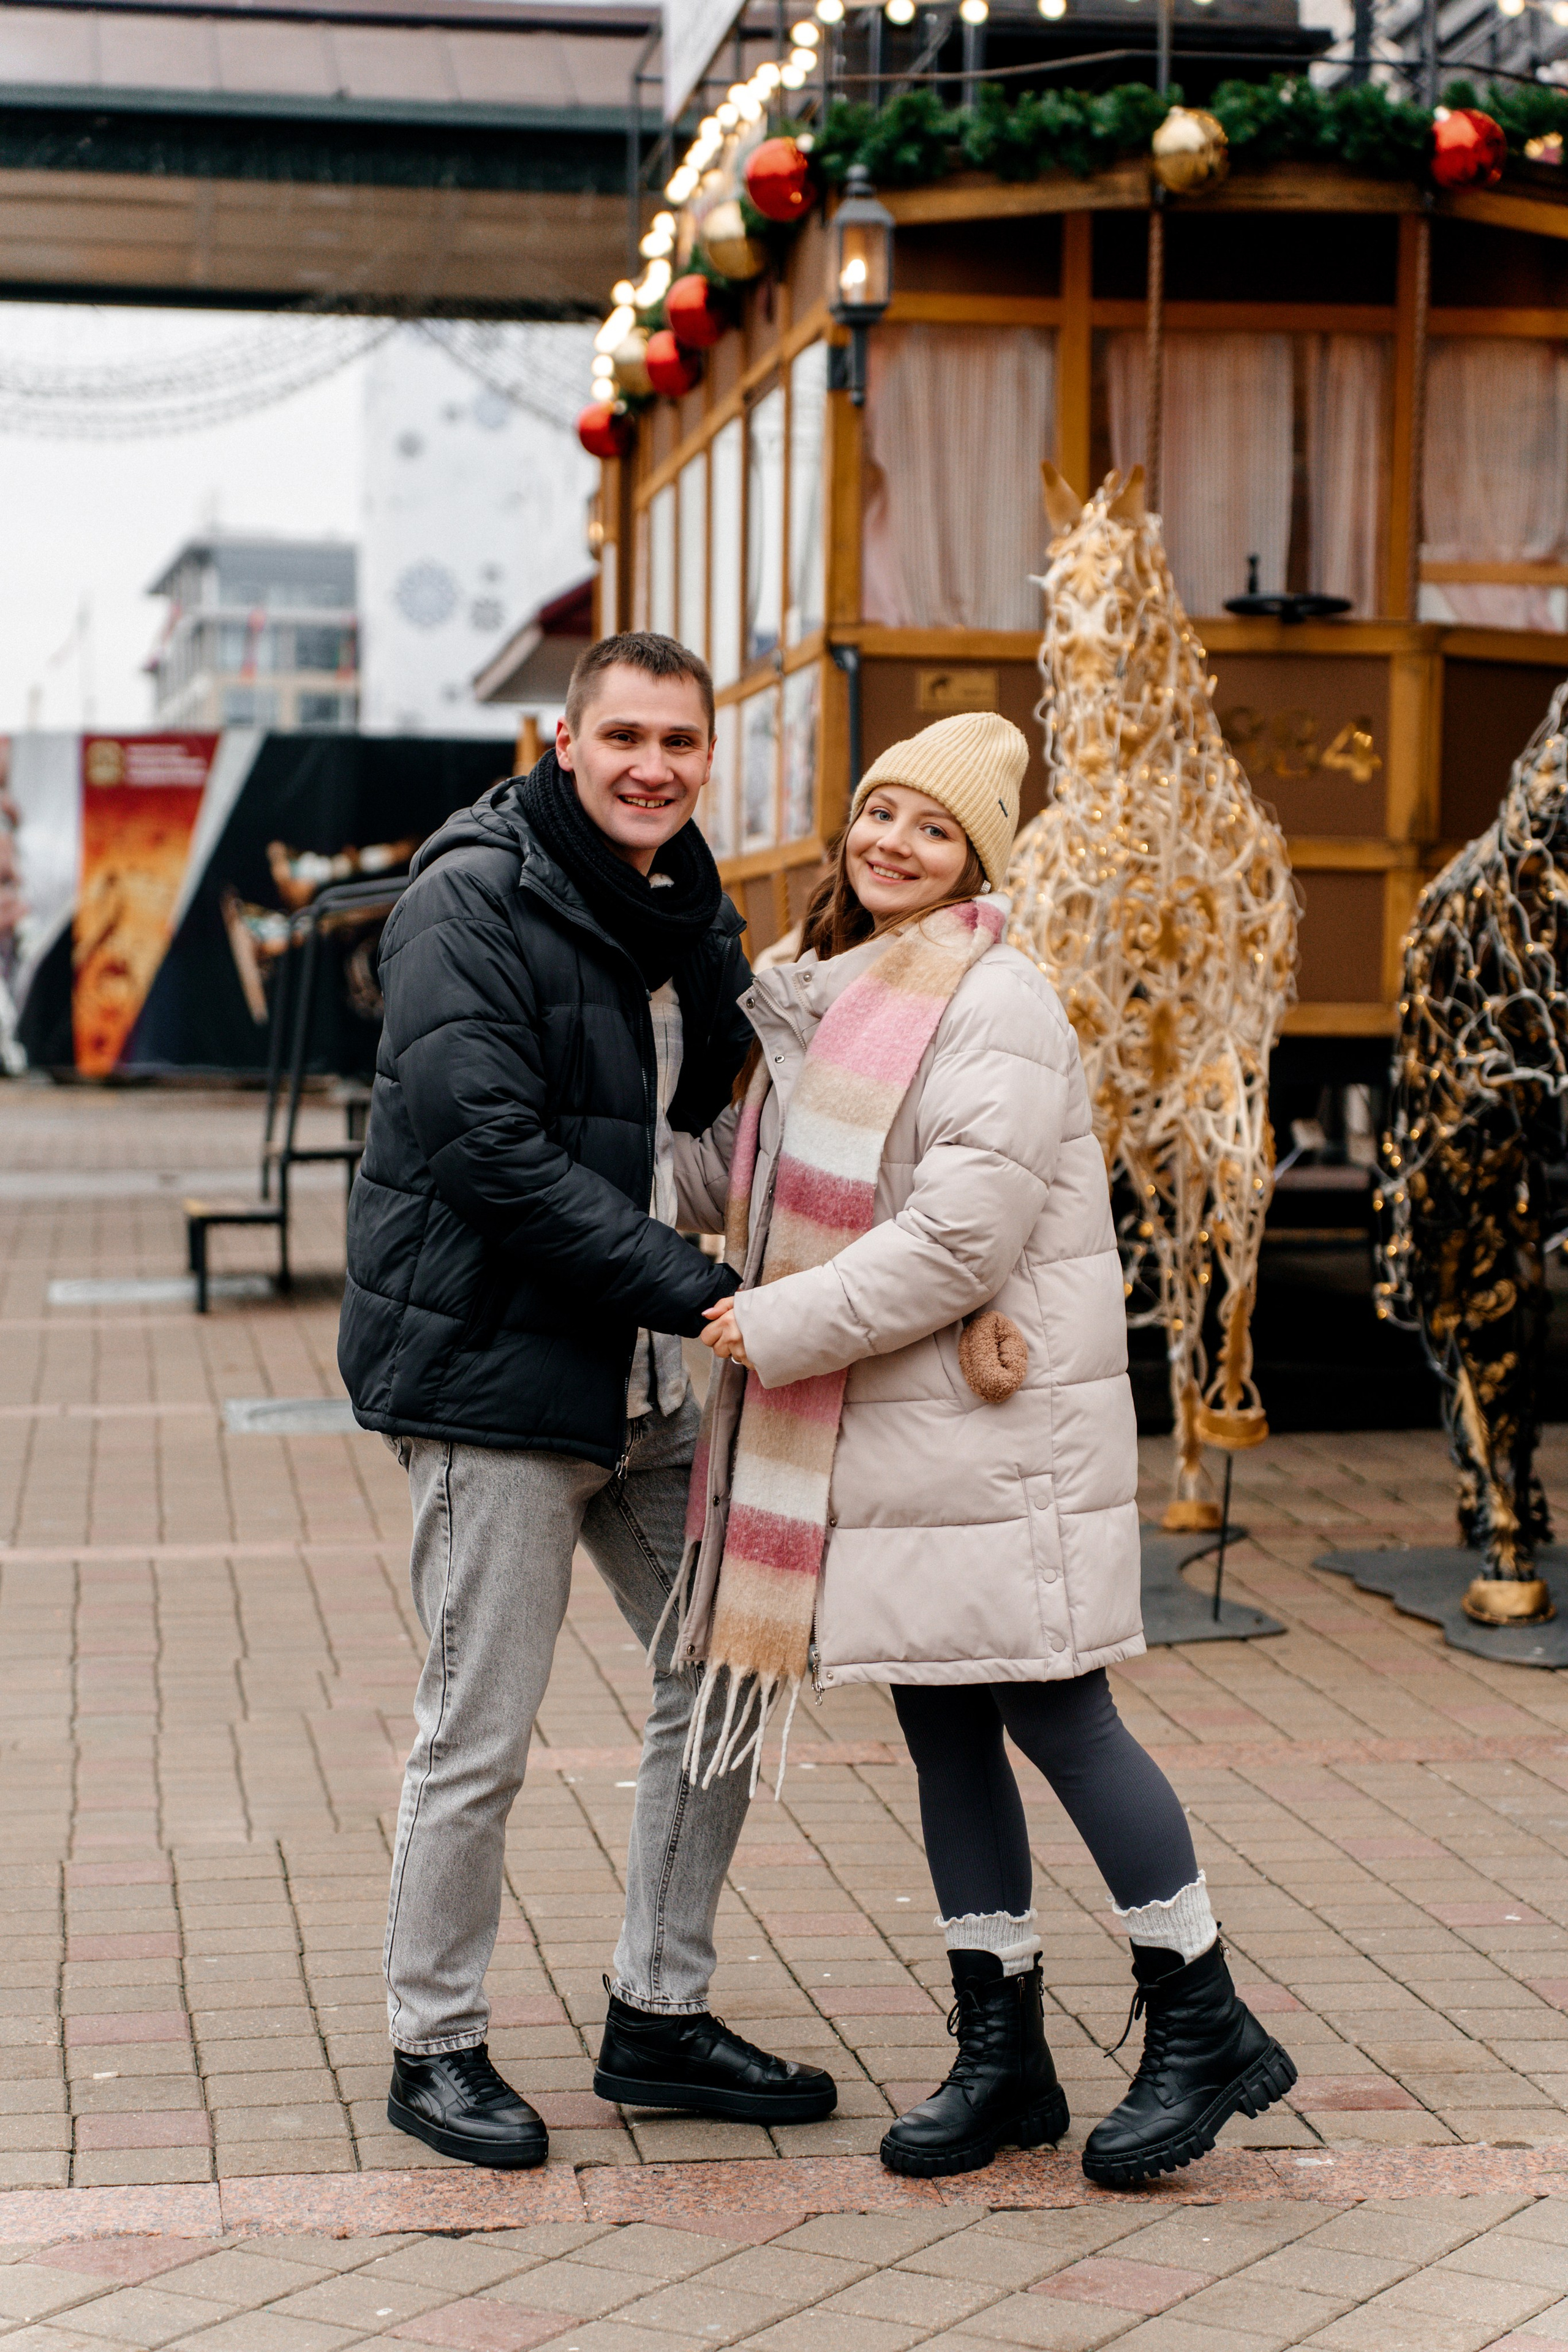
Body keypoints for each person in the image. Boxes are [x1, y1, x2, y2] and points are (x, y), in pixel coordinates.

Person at [678, 709, 1297, 2185]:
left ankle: (1201, 2016)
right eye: (878, 811)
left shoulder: (990, 996)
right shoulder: (820, 994)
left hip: (986, 1428)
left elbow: (963, 1233)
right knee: (940, 1723)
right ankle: (1001, 2052)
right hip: (897, 1436)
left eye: (931, 828)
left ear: (974, 861)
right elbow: (730, 1178)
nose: (891, 840)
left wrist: (780, 1321)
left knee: (1059, 1715)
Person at [338, 630, 837, 2168]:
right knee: (477, 1732)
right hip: (497, 1369)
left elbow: (691, 1124)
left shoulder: (681, 906)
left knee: (730, 1667)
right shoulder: (469, 898)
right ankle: (434, 2045)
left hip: (633, 1370)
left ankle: (657, 2014)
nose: (652, 767)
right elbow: (492, 1154)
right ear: (563, 745)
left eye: (679, 744)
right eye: (622, 737)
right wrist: (702, 1292)